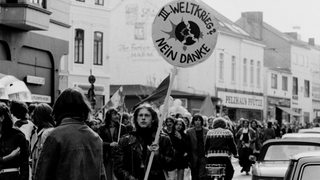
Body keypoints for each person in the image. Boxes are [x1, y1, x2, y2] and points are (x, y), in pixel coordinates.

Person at [35, 87, 106, 180]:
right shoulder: (96, 138)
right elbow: (102, 175)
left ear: (59, 108)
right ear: (84, 108)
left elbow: (42, 175)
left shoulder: (55, 136)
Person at [113, 104, 174, 180]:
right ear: (136, 119)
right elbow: (118, 167)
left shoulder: (163, 139)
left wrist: (158, 155)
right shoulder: (125, 140)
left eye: (147, 115)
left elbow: (171, 165)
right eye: (140, 115)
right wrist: (130, 178)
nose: (143, 118)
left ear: (153, 119)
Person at [0, 102, 29, 180]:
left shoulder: (18, 135)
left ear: (2, 117)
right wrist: (9, 157)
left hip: (12, 176)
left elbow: (24, 164)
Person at [98, 108, 127, 180]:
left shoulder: (122, 127)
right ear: (109, 116)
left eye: (117, 114)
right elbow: (98, 142)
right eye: (114, 114)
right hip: (107, 157)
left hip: (119, 157)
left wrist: (121, 144)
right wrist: (109, 144)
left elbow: (127, 141)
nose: (117, 116)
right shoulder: (102, 128)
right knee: (108, 176)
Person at [30, 103, 55, 179]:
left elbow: (45, 160)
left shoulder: (46, 133)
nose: (32, 116)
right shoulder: (40, 132)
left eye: (34, 114)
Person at [186, 114, 208, 180]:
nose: (198, 122)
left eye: (199, 120)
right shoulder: (189, 131)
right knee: (194, 175)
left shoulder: (207, 131)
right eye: (196, 120)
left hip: (203, 155)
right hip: (193, 156)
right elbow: (188, 145)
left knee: (202, 175)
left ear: (202, 121)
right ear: (193, 122)